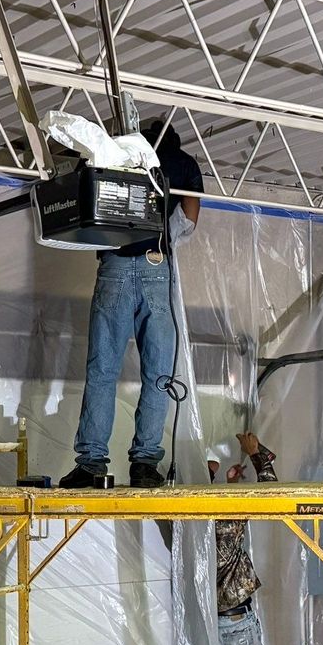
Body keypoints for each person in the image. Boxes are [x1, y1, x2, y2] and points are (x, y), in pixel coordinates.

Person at [59, 121, 204, 489]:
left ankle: (91, 463)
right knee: (157, 373)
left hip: (115, 268)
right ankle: (144, 465)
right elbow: (189, 214)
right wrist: (161, 240)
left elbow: (83, 201)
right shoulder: (183, 162)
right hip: (158, 268)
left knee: (103, 369)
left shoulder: (112, 153)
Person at [210, 432, 292, 645]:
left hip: (203, 620)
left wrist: (219, 482)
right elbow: (271, 494)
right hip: (235, 619)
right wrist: (257, 455)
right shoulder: (226, 516)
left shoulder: (184, 517)